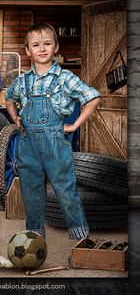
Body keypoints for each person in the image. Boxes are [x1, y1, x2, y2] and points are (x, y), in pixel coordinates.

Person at [5, 22, 101, 239]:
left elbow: (93, 96)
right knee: (31, 192)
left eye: (47, 43)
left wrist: (76, 124)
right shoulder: (21, 81)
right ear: (28, 50)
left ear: (56, 47)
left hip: (56, 143)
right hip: (27, 143)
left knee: (65, 190)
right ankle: (35, 236)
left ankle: (80, 237)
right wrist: (15, 118)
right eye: (36, 45)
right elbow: (9, 99)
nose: (42, 48)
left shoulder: (64, 78)